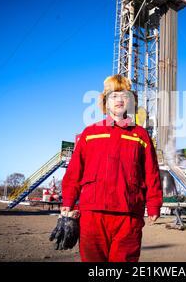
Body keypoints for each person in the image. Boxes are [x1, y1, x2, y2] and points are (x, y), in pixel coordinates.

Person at [61, 74, 163, 262]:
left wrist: (154, 203)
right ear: (105, 102)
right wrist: (68, 199)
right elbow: (75, 170)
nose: (120, 100)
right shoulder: (90, 133)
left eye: (125, 95)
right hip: (92, 213)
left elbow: (151, 172)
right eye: (114, 95)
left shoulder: (140, 135)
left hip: (129, 214)